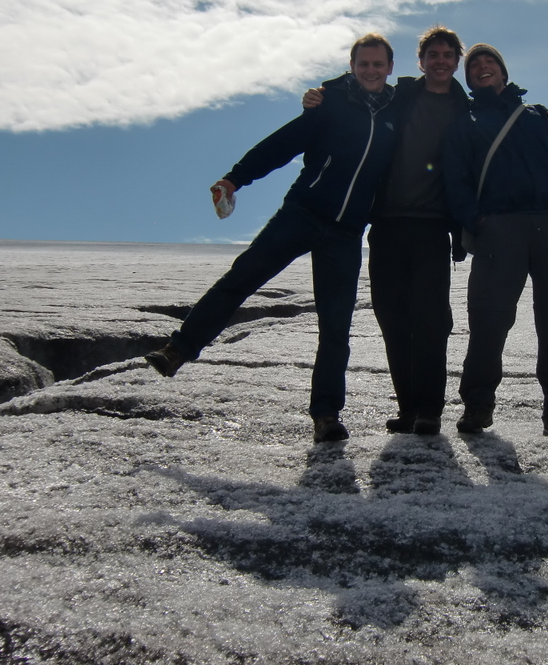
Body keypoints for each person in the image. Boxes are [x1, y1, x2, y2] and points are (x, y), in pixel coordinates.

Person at [303, 27, 548, 436]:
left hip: (432, 228)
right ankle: (409, 409)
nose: (440, 61)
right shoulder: (400, 96)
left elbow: (498, 139)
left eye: (448, 55)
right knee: (392, 319)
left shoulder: (468, 109)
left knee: (431, 321)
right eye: (433, 55)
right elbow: (364, 85)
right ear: (421, 61)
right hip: (387, 223)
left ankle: (429, 410)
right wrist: (325, 92)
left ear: (456, 63)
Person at [145, 33, 398, 443]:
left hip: (346, 232)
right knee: (241, 278)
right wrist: (236, 178)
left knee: (336, 325)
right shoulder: (330, 104)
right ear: (352, 67)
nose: (371, 70)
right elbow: (281, 145)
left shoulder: (397, 112)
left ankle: (326, 415)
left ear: (389, 67)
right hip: (302, 213)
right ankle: (179, 349)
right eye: (363, 64)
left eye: (378, 64)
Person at [442, 43, 548, 439]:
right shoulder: (465, 120)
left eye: (489, 61)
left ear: (504, 72)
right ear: (469, 79)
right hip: (499, 229)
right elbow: (455, 179)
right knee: (489, 322)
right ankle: (477, 406)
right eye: (474, 65)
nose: (482, 67)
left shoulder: (536, 115)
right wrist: (478, 222)